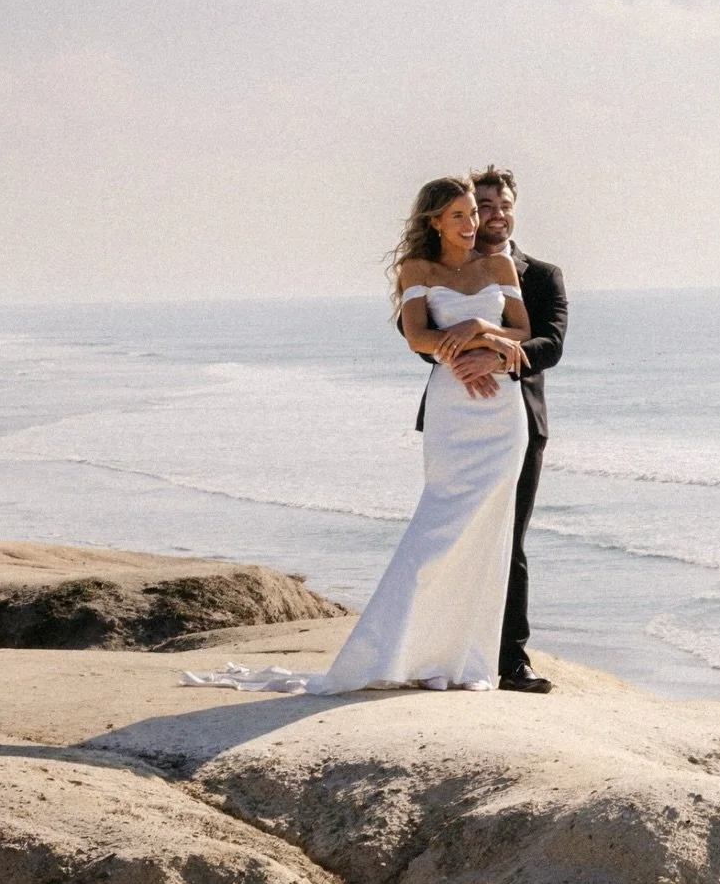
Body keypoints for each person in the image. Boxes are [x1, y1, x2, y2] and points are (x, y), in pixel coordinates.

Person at [183, 176, 532, 694]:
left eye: (473, 215)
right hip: (455, 406)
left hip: (503, 411)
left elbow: (522, 332)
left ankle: (461, 659)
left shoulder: (499, 266)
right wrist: (460, 353)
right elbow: (417, 335)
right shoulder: (416, 269)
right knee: (438, 528)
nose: (471, 223)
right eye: (458, 215)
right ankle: (394, 650)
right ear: (434, 221)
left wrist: (482, 329)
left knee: (489, 533)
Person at [427, 166, 567, 693]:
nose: (497, 214)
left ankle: (510, 659)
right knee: (448, 530)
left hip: (517, 422)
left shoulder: (541, 274)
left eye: (504, 203)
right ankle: (441, 646)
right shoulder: (438, 268)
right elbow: (416, 335)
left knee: (510, 538)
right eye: (484, 205)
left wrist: (497, 358)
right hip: (455, 420)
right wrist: (471, 348)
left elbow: (550, 344)